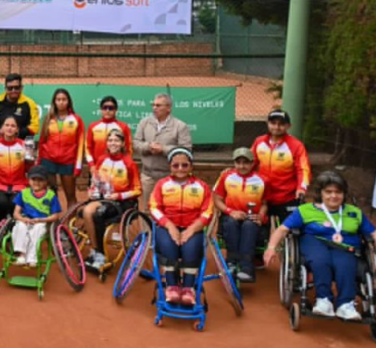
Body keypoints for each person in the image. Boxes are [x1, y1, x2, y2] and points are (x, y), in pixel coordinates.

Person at [264, 171, 376, 321]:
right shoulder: (306, 210)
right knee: (320, 260)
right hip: (314, 241)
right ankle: (324, 300)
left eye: (338, 192)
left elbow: (375, 235)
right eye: (328, 192)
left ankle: (346, 304)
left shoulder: (354, 213)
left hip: (344, 246)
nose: (333, 196)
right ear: (320, 193)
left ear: (344, 194)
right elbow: (283, 229)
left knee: (346, 264)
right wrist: (271, 248)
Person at [149, 148, 213, 306]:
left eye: (185, 165)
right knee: (169, 247)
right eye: (176, 165)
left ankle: (188, 288)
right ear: (170, 166)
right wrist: (170, 226)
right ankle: (171, 286)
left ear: (191, 167)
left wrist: (191, 230)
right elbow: (153, 207)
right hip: (167, 226)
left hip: (193, 227)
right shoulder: (161, 185)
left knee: (190, 250)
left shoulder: (202, 186)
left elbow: (207, 212)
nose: (180, 169)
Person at [82, 129, 141, 271]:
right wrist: (92, 190)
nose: (113, 143)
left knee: (97, 214)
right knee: (85, 211)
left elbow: (138, 190)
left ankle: (101, 254)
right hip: (103, 198)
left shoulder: (129, 163)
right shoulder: (102, 159)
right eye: (110, 140)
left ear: (122, 144)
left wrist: (118, 196)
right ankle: (96, 250)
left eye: (116, 141)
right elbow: (95, 181)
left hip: (121, 201)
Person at [212, 147, 268, 282]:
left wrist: (260, 215)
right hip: (230, 215)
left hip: (252, 217)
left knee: (249, 226)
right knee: (231, 223)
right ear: (234, 163)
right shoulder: (226, 176)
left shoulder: (262, 180)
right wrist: (231, 212)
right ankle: (231, 262)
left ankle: (246, 268)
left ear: (252, 163)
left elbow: (265, 203)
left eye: (246, 162)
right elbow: (217, 199)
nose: (242, 166)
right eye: (238, 162)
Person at [133, 93, 192, 209]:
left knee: (168, 208)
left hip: (169, 176)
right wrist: (148, 147)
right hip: (148, 176)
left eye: (158, 105)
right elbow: (135, 143)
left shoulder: (180, 126)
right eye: (153, 105)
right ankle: (147, 228)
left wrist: (164, 149)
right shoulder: (144, 122)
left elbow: (186, 150)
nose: (154, 108)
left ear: (168, 108)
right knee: (147, 209)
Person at [252, 109, 311, 223]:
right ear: (267, 124)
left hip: (287, 197)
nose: (277, 127)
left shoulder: (296, 145)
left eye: (281, 124)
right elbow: (250, 164)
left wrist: (301, 188)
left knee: (292, 230)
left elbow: (303, 169)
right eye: (273, 123)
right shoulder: (259, 142)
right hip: (263, 196)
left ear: (288, 126)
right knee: (258, 230)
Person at [37, 88, 85, 207]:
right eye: (58, 99)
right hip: (48, 160)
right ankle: (53, 222)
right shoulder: (48, 118)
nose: (61, 102)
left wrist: (78, 166)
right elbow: (42, 140)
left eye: (64, 99)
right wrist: (39, 159)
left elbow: (80, 144)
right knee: (51, 195)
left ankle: (69, 223)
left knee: (70, 196)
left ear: (68, 101)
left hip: (68, 161)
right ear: (54, 102)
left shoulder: (76, 119)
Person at [11, 165, 62, 267]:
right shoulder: (23, 193)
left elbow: (55, 216)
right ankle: (21, 255)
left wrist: (41, 220)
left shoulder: (51, 195)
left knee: (37, 230)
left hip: (42, 222)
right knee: (20, 227)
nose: (36, 182)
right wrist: (23, 219)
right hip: (26, 220)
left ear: (46, 182)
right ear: (29, 180)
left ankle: (31, 258)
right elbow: (15, 213)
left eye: (40, 180)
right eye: (34, 179)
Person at [0, 116, 31, 223]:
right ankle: (1, 229)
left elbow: (30, 169)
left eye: (13, 126)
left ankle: (13, 229)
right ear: (2, 128)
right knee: (1, 203)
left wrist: (30, 163)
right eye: (7, 125)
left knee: (15, 203)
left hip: (19, 184)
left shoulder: (24, 146)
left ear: (17, 130)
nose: (9, 128)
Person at [0, 73, 40, 140]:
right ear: (5, 88)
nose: (13, 90)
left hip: (21, 145)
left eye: (16, 88)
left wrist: (16, 132)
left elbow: (34, 127)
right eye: (10, 88)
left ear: (21, 88)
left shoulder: (29, 103)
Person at [85, 95, 133, 168]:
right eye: (105, 108)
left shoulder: (123, 127)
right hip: (96, 167)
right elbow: (88, 148)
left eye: (111, 108)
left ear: (115, 110)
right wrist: (91, 165)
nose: (107, 110)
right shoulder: (93, 126)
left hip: (118, 168)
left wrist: (125, 165)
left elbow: (129, 148)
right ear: (101, 109)